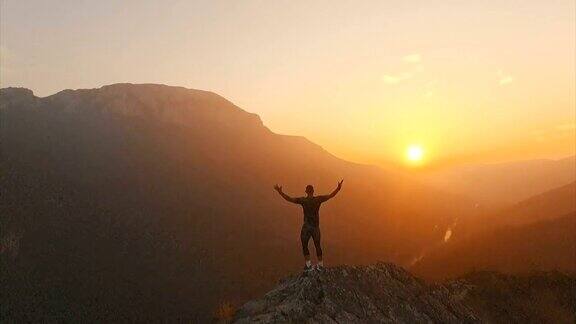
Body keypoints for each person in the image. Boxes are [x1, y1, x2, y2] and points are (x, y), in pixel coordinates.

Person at [273, 180, 344, 272]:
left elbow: (289, 199)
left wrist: (280, 192)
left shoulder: (303, 200)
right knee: (317, 245)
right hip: (315, 227)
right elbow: (330, 196)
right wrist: (338, 188)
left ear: (306, 191)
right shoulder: (318, 200)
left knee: (304, 245)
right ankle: (320, 265)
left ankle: (308, 265)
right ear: (313, 191)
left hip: (306, 227)